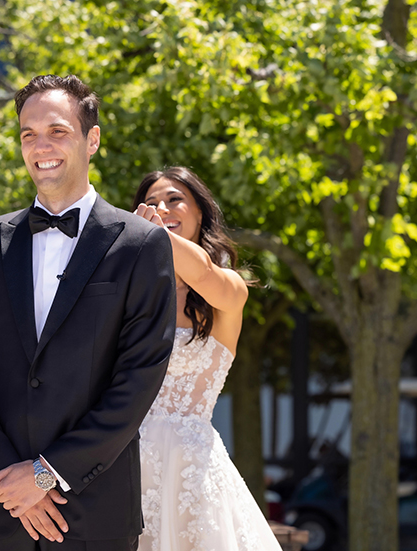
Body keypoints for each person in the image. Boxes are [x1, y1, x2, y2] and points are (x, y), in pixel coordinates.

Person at [0, 74, 176, 551]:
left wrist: (46, 475)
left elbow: (138, 380)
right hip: (0, 510)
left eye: (57, 131)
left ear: (92, 140)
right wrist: (8, 480)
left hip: (95, 514)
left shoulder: (141, 245)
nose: (40, 146)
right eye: (28, 134)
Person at [132, 167, 281, 551]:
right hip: (125, 470)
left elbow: (200, 272)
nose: (161, 209)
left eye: (174, 200)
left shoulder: (229, 288)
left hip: (192, 475)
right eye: (151, 203)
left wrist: (154, 234)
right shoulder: (132, 294)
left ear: (200, 212)